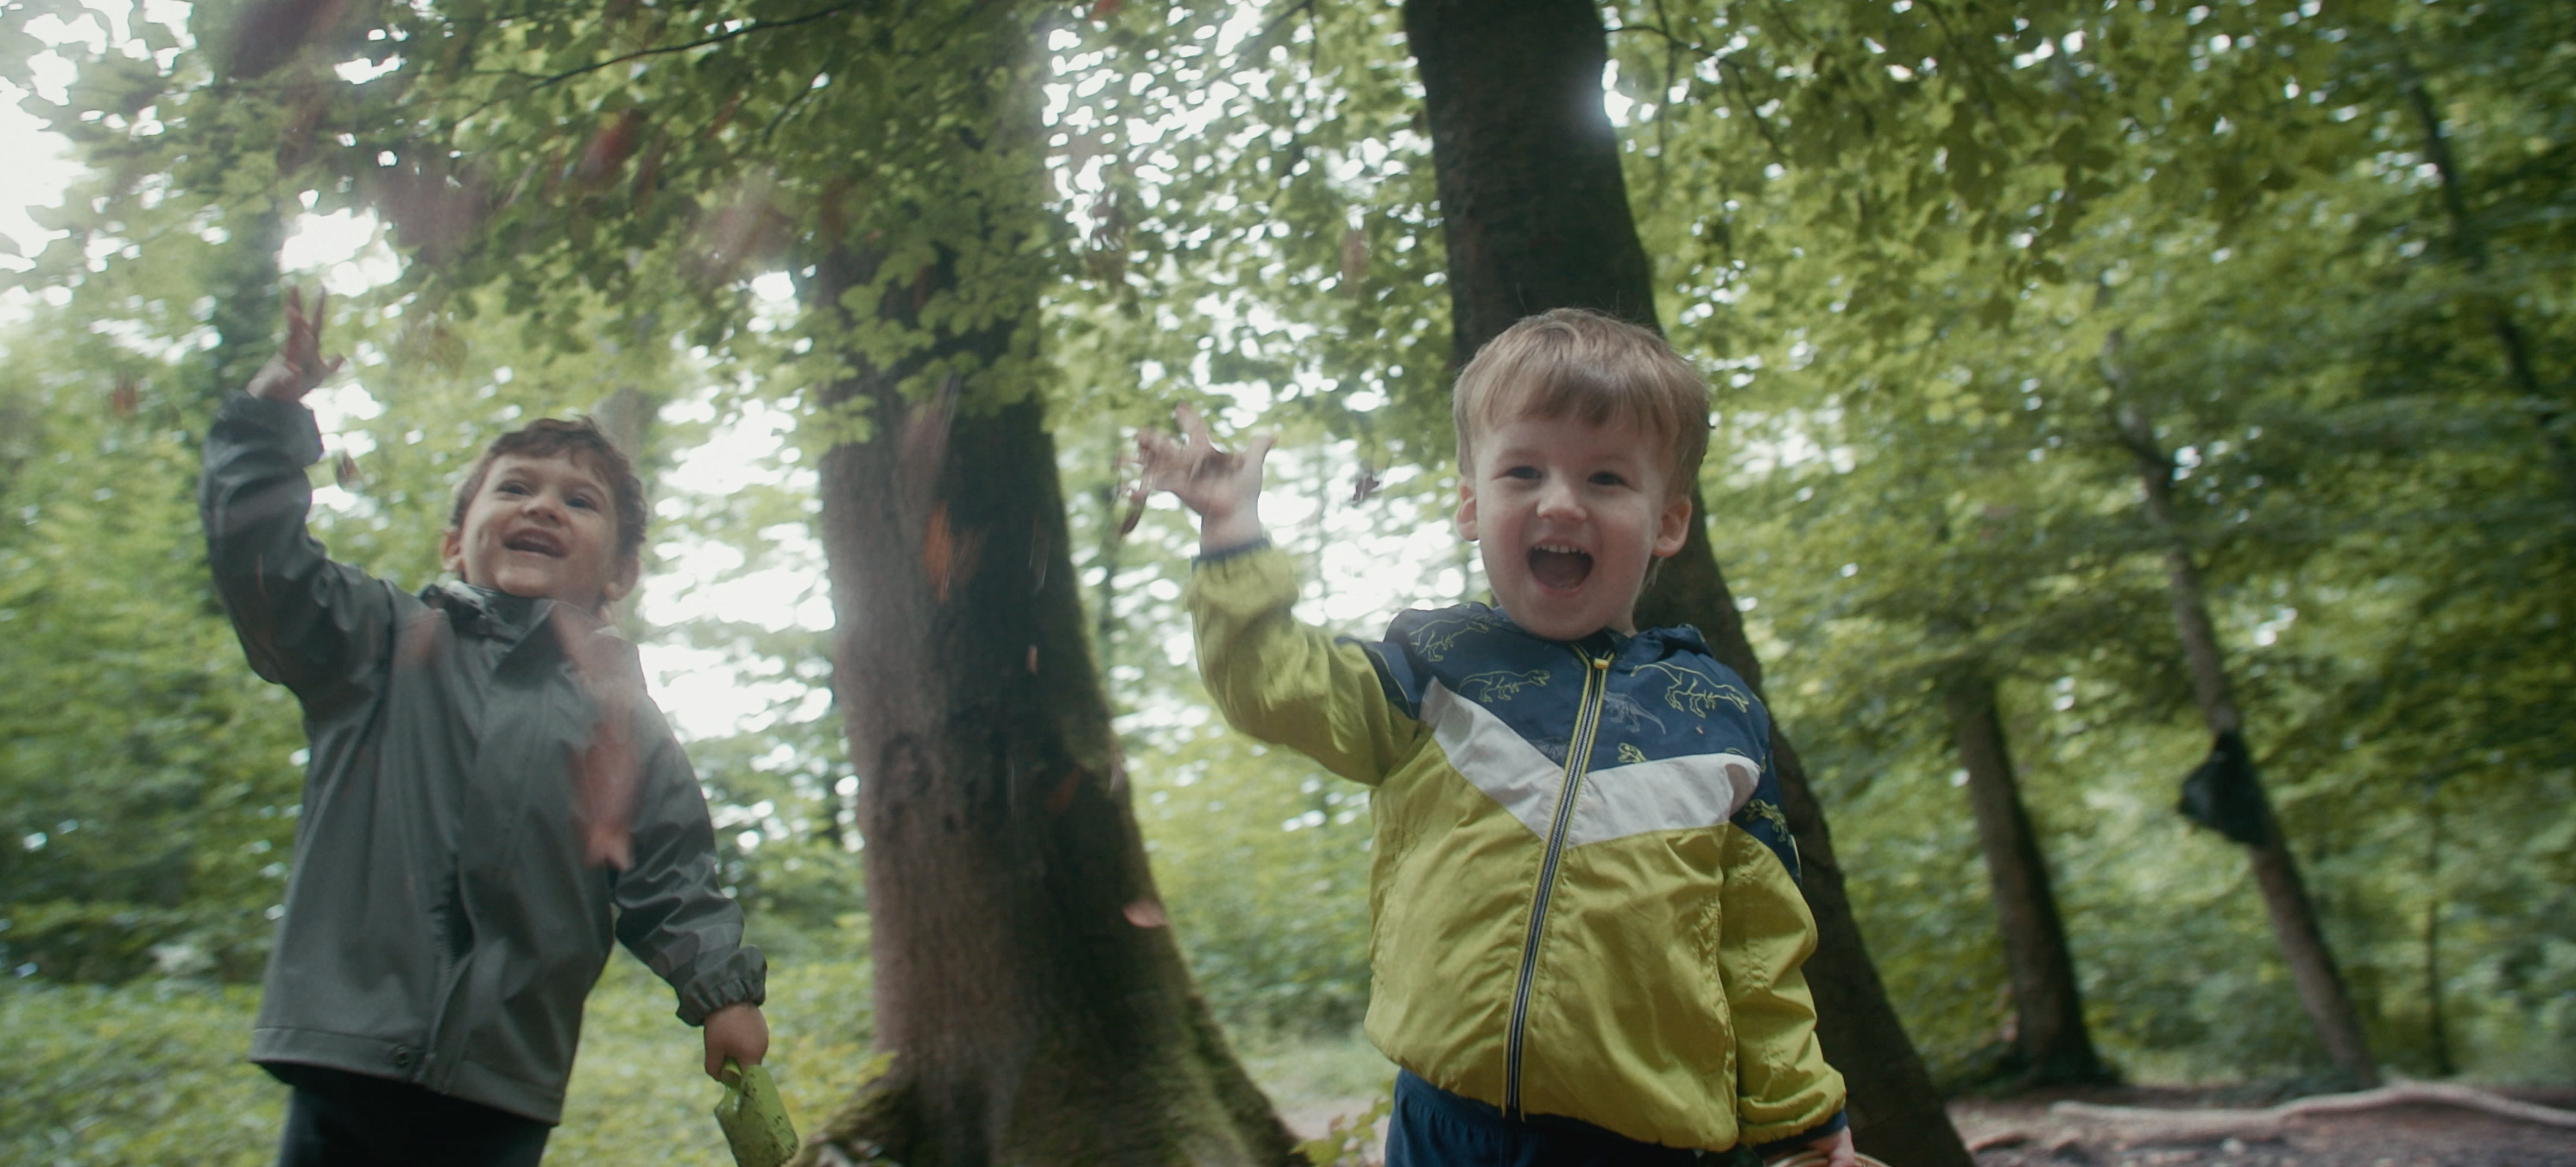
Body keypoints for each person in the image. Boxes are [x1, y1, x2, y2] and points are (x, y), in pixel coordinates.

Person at [1139, 308, 1856, 1167]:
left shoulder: (1715, 718)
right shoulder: (1432, 670)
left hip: (1639, 1146)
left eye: (1606, 478)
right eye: (1524, 471)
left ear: (1667, 523)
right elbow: (1272, 684)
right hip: (1443, 1124)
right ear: (1473, 506)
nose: (1560, 501)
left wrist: (1805, 1122)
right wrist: (1230, 532)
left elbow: (1759, 950)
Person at [200, 289, 769, 1167]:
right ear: (453, 543)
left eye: (579, 500)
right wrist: (267, 421)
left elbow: (672, 871)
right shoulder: (376, 643)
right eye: (515, 488)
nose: (543, 506)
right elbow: (265, 565)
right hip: (348, 1046)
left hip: (502, 1072)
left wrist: (722, 991)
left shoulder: (623, 717)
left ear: (620, 573)